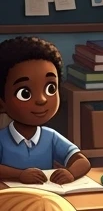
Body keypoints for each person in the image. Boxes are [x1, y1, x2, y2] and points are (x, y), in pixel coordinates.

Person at [0, 36, 90, 184]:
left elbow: (82, 161)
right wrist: (20, 175)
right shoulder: (2, 139)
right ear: (2, 102)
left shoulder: (50, 137)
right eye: (25, 93)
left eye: (50, 88)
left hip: (46, 198)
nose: (41, 100)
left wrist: (70, 173)